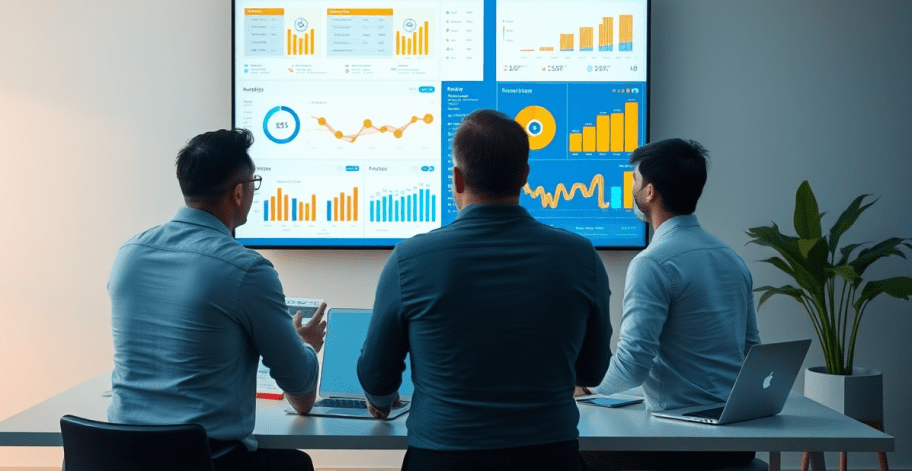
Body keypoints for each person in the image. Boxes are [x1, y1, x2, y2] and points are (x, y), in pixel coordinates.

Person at [357, 109, 613, 471]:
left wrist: (381, 401)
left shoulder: (409, 259)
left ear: (458, 178)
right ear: (525, 176)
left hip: (442, 461)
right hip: (549, 459)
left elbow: (377, 375)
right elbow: (592, 372)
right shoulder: (581, 257)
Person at [108, 128, 326, 471]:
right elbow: (302, 395)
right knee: (295, 465)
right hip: (207, 462)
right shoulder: (246, 270)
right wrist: (305, 345)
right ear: (238, 193)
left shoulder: (129, 254)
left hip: (117, 456)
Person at [579, 138, 761, 471]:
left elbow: (633, 364)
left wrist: (587, 386)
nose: (632, 188)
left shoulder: (652, 263)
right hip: (735, 441)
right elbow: (751, 349)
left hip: (680, 443)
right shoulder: (731, 258)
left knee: (572, 447)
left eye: (635, 180)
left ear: (649, 192)